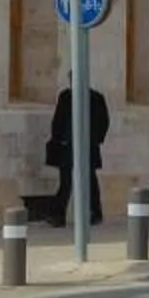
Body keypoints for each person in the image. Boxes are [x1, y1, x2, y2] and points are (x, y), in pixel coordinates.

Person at [47, 83, 110, 228]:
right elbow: (58, 119)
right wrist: (59, 139)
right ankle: (58, 215)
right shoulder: (66, 96)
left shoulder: (95, 97)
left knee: (90, 181)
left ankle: (95, 213)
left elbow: (104, 120)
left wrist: (95, 140)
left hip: (88, 146)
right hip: (68, 146)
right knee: (66, 181)